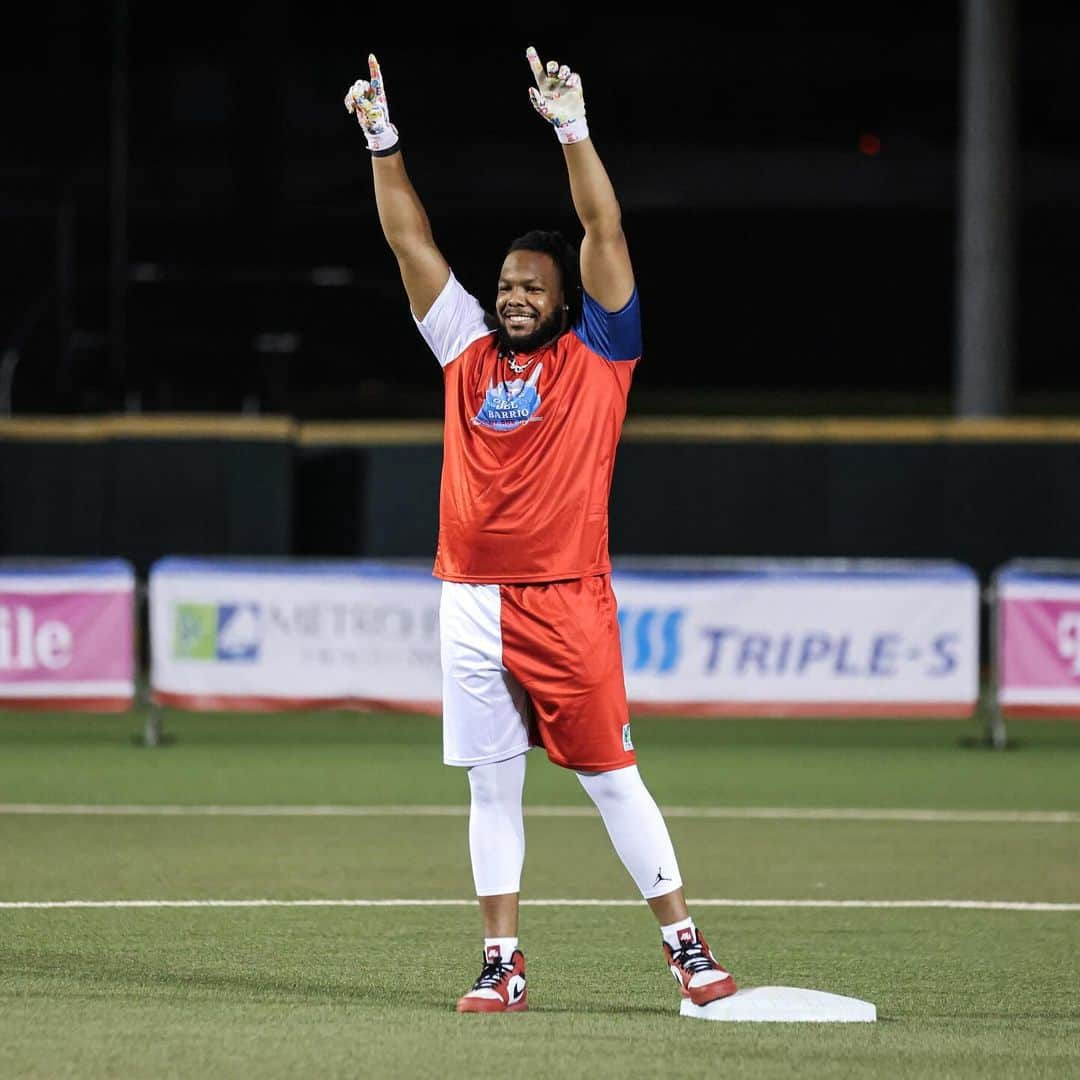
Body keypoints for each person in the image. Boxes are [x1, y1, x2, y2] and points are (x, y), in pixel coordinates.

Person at [345, 47, 737, 1014]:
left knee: (611, 780)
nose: (514, 294)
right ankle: (502, 962)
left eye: (533, 286)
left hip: (566, 597)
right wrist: (381, 141)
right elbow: (408, 243)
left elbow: (602, 223)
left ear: (566, 300)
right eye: (506, 283)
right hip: (470, 598)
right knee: (491, 787)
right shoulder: (465, 348)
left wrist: (572, 127)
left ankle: (687, 950)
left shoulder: (602, 355)